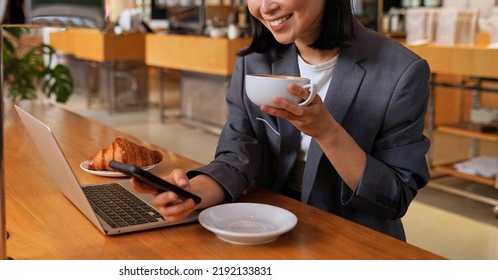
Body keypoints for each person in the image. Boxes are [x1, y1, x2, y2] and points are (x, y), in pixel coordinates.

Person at [133, 0, 431, 241]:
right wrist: (193, 193)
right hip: (263, 229)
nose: (265, 7)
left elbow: (395, 196)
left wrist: (327, 132)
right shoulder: (255, 60)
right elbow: (238, 154)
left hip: (352, 239)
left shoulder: (401, 72)